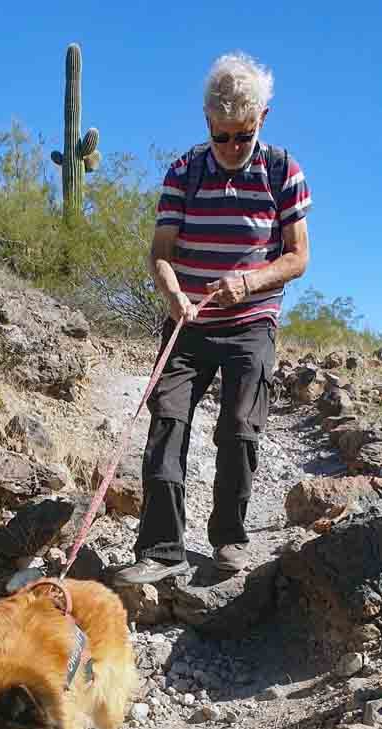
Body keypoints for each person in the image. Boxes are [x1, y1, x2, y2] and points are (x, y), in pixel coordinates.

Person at [116, 52, 311, 584]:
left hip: (252, 321)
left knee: (240, 428)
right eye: (220, 135)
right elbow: (161, 253)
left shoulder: (283, 171)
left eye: (242, 136)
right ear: (206, 121)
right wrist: (174, 293)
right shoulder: (184, 171)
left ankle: (229, 538)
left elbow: (298, 258)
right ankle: (161, 550)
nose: (230, 147)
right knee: (167, 422)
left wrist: (247, 283)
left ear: (262, 119)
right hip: (189, 322)